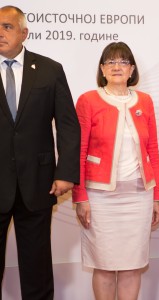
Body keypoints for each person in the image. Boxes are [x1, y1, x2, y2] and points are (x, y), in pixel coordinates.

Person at [0, 5, 80, 300]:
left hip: (38, 183)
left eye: (7, 27)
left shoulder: (49, 69)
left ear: (24, 33)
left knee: (37, 270)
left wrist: (66, 173)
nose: (0, 33)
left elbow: (69, 126)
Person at [72, 41, 159, 300]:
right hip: (99, 199)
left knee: (133, 266)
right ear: (102, 68)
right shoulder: (88, 100)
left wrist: (156, 196)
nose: (117, 67)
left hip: (138, 197)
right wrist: (80, 197)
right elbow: (78, 151)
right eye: (110, 62)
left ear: (132, 69)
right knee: (103, 267)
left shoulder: (145, 101)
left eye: (123, 62)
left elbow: (153, 150)